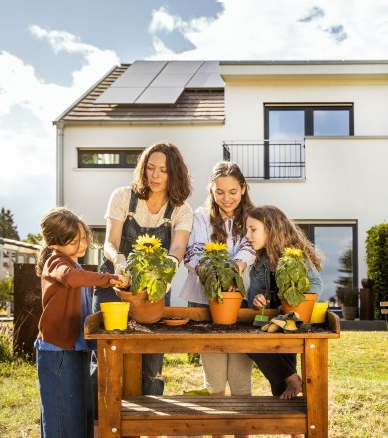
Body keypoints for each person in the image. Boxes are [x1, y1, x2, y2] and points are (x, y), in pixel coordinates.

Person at [92, 141, 194, 397]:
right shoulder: (122, 197)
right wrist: (119, 261)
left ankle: (148, 424)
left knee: (150, 357)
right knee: (106, 355)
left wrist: (169, 268)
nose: (155, 175)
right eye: (150, 168)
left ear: (175, 174)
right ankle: (101, 424)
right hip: (114, 284)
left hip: (154, 288)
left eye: (163, 170)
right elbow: (110, 242)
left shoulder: (181, 209)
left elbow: (178, 247)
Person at [34, 207, 129, 437]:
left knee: (78, 408)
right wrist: (109, 279)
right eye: (74, 241)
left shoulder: (73, 264)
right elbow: (70, 278)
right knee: (61, 412)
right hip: (57, 350)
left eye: (84, 237)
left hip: (75, 346)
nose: (83, 244)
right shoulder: (56, 262)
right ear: (56, 242)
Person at [179, 162, 257, 409]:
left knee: (241, 377)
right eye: (219, 192)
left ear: (243, 189)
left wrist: (235, 272)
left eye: (233, 192)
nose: (226, 198)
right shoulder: (200, 217)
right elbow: (193, 252)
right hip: (204, 299)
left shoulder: (253, 217)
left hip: (241, 299)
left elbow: (250, 247)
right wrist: (216, 279)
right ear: (211, 190)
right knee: (214, 378)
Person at [245, 205, 324, 401]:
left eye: (253, 229)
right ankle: (292, 380)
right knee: (251, 341)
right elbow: (253, 299)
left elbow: (315, 285)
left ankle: (291, 381)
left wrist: (291, 303)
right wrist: (257, 301)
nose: (248, 235)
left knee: (271, 349)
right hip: (274, 321)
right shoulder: (260, 262)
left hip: (296, 320)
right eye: (247, 229)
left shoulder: (296, 255)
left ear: (270, 229)